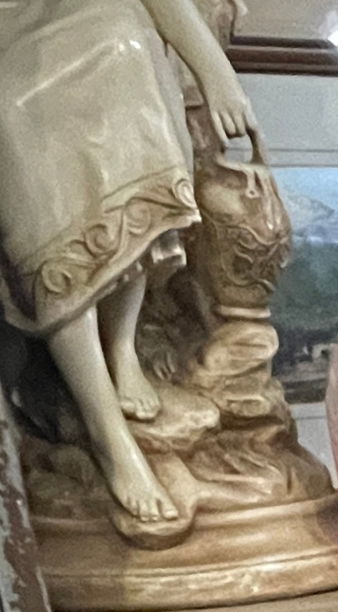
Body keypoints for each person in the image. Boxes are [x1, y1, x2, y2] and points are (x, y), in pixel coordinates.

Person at [0, 0, 259, 523]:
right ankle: (108, 432)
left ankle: (122, 347)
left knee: (126, 43)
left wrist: (215, 70)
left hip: (79, 13)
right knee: (13, 122)